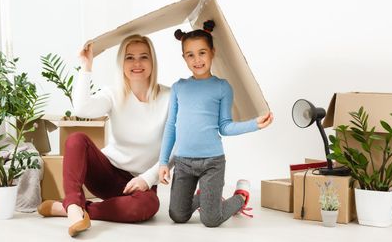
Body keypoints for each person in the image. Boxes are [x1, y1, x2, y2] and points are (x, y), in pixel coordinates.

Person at [38, 34, 171, 237]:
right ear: (121, 63)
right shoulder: (113, 94)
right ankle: (73, 206)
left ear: (153, 61)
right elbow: (82, 109)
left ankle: (65, 209)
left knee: (148, 206)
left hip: (140, 184)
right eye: (129, 57)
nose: (137, 63)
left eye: (144, 57)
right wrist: (86, 66)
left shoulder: (169, 98)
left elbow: (177, 147)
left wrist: (148, 178)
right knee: (76, 140)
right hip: (107, 174)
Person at [158, 20, 273, 228]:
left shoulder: (222, 87)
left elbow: (225, 126)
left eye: (202, 52)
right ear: (184, 57)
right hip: (183, 163)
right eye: (190, 55)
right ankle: (206, 197)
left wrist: (254, 124)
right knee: (178, 215)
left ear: (212, 52)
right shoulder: (178, 87)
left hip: (212, 163)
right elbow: (171, 126)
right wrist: (163, 162)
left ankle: (240, 197)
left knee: (211, 220)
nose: (197, 60)